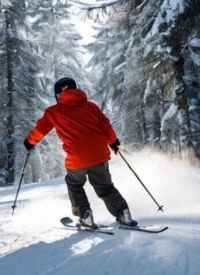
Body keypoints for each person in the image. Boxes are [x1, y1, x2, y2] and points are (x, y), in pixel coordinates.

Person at [23, 77, 137, 229]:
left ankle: (85, 215)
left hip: (77, 159)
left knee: (74, 184)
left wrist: (30, 142)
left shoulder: (53, 112)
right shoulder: (91, 107)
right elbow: (105, 125)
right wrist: (113, 142)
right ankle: (123, 213)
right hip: (99, 155)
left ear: (57, 94)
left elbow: (40, 129)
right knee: (105, 187)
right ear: (75, 89)